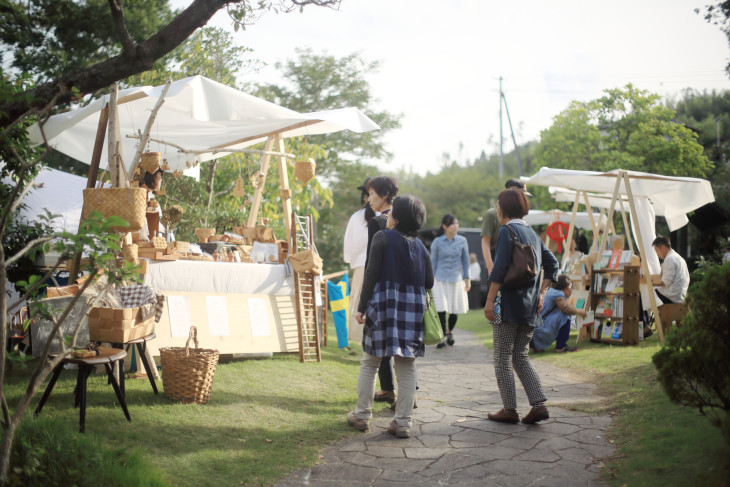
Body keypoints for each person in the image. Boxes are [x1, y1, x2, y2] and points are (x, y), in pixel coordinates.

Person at [348, 194, 434, 438]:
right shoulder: (420, 245)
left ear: (397, 217)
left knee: (370, 362)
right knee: (406, 365)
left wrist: (361, 307)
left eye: (392, 211)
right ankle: (402, 423)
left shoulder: (382, 238)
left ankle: (362, 416)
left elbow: (371, 274)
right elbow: (429, 281)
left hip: (383, 305)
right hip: (412, 308)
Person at [483, 188, 559, 425]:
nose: (496, 208)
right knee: (520, 356)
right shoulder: (533, 234)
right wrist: (543, 293)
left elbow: (499, 268)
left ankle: (509, 409)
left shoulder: (508, 231)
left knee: (502, 357)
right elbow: (553, 264)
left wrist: (489, 300)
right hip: (530, 307)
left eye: (497, 204)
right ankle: (538, 405)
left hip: (508, 304)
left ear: (503, 208)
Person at [364, 176, 399, 405]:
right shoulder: (407, 220)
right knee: (402, 345)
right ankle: (398, 392)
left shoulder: (377, 223)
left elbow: (371, 264)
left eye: (372, 194)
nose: (368, 199)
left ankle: (384, 392)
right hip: (405, 290)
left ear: (384, 195)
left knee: (379, 341)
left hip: (382, 290)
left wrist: (364, 300)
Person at [343, 178, 376, 344]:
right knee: (361, 303)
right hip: (363, 266)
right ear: (365, 197)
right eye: (368, 194)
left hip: (368, 265)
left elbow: (350, 247)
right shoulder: (357, 217)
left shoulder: (387, 215)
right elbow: (349, 244)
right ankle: (365, 343)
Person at [430, 214, 470, 348]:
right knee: (441, 309)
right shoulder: (437, 242)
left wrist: (467, 278)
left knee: (454, 310)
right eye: (452, 224)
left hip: (456, 279)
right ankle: (441, 336)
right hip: (439, 279)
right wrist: (430, 281)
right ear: (445, 227)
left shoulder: (462, 240)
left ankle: (449, 332)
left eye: (457, 223)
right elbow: (433, 262)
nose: (455, 226)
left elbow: (465, 261)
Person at [481, 179, 532, 277]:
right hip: (497, 256)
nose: (524, 198)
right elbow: (485, 241)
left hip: (516, 258)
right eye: (521, 194)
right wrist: (490, 267)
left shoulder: (520, 216)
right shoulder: (492, 214)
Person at [531, 275, 587, 353]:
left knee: (562, 315)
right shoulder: (558, 294)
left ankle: (537, 345)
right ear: (564, 287)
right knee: (565, 316)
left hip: (537, 326)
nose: (571, 290)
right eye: (570, 287)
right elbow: (565, 309)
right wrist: (580, 311)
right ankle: (561, 346)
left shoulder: (551, 291)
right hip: (540, 328)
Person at [651, 235, 689, 305]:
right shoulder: (679, 258)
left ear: (663, 247)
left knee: (647, 291)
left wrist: (651, 282)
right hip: (680, 295)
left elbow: (666, 282)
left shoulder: (670, 259)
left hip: (672, 296)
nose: (657, 254)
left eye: (657, 250)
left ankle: (644, 315)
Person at [139, 168, 164, 241]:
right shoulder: (144, 193)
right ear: (153, 178)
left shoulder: (151, 196)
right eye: (159, 177)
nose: (161, 180)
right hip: (146, 236)